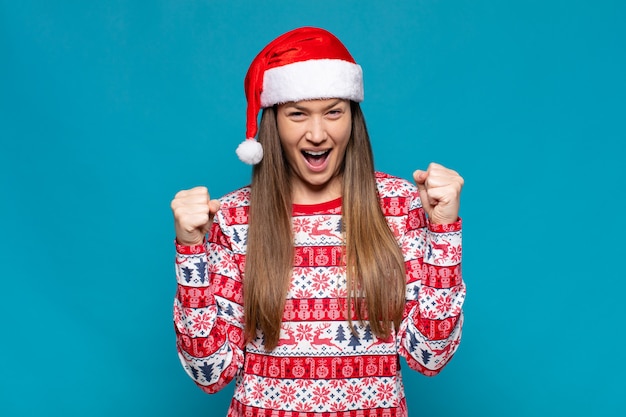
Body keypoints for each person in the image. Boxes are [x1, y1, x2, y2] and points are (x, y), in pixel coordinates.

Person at [171, 27, 465, 417]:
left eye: (333, 112)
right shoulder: (234, 218)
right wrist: (191, 253)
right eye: (297, 114)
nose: (316, 133)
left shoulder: (399, 207)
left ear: (352, 119)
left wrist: (443, 230)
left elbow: (430, 355)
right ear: (273, 122)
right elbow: (209, 373)